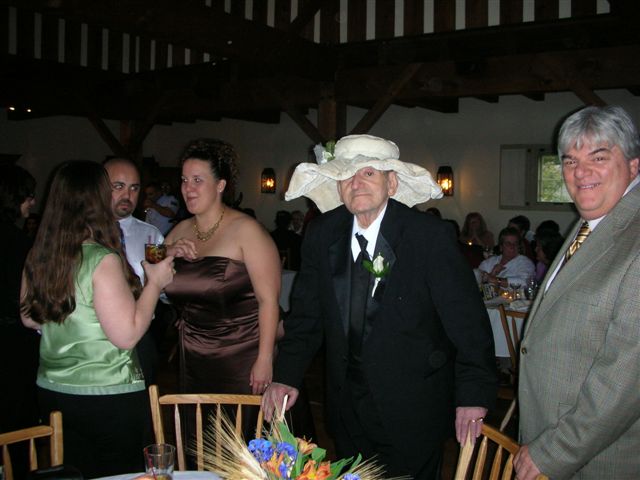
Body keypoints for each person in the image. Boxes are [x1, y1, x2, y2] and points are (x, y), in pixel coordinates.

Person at [262, 134, 497, 479]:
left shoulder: (427, 236)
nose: (356, 183)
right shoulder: (322, 233)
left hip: (414, 405)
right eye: (346, 175)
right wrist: (286, 375)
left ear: (392, 183)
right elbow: (307, 316)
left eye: (369, 173)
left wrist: (473, 394)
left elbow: (468, 323)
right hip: (346, 406)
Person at [20, 160, 174, 478]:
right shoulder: (100, 258)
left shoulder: (41, 253)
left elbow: (29, 319)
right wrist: (155, 283)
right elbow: (127, 335)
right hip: (106, 393)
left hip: (53, 389)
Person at [514, 105, 640, 479]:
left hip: (598, 457)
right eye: (570, 161)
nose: (580, 172)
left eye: (598, 158)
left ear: (633, 166)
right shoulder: (593, 223)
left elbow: (625, 378)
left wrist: (555, 451)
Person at [164, 138, 280, 399]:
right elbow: (148, 266)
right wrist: (168, 252)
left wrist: (264, 359)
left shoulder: (247, 230)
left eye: (197, 180)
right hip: (193, 352)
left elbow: (269, 301)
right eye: (184, 180)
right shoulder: (179, 230)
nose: (188, 188)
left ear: (220, 185)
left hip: (242, 354)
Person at [104, 157, 165, 385]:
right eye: (118, 186)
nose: (127, 195)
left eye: (134, 188)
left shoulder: (151, 236)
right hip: (92, 341)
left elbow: (162, 287)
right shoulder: (81, 233)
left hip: (139, 337)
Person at [0, 165, 39, 479]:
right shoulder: (20, 245)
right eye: (28, 196)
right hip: (13, 342)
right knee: (17, 425)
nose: (33, 202)